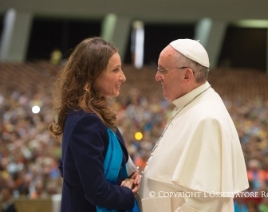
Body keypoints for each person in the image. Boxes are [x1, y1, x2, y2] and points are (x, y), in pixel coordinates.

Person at [139, 39, 249, 212]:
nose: (157, 76)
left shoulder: (207, 118)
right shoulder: (189, 104)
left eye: (162, 70)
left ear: (187, 75)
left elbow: (204, 204)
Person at [49, 37, 140, 212]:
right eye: (115, 70)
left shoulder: (90, 113)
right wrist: (127, 192)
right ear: (92, 74)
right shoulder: (86, 120)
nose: (123, 77)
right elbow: (96, 191)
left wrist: (132, 173)